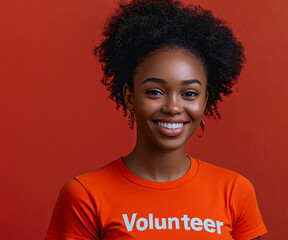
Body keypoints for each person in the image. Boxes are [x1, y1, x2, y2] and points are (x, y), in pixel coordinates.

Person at [46, 0, 267, 239]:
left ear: (205, 101)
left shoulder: (234, 191)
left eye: (189, 94)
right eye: (155, 92)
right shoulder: (86, 195)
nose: (173, 107)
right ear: (129, 97)